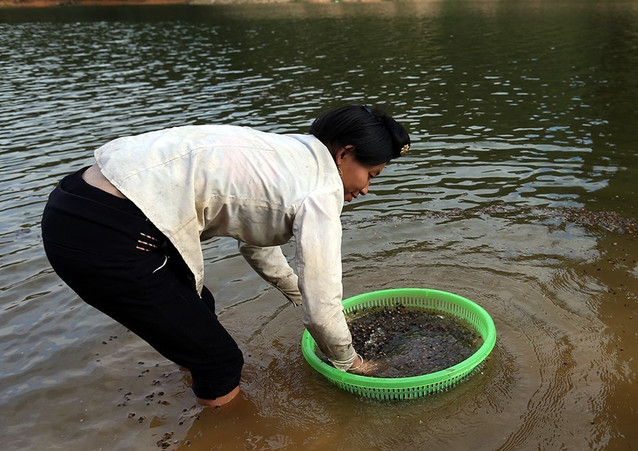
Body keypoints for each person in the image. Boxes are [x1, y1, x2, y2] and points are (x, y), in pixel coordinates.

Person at [41, 104, 411, 407]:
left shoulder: (289, 154)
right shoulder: (320, 190)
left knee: (200, 308)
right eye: (371, 175)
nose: (365, 189)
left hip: (75, 201)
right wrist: (351, 362)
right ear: (345, 153)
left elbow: (257, 242)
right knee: (222, 361)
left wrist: (297, 295)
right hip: (110, 233)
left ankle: (197, 385)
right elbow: (323, 304)